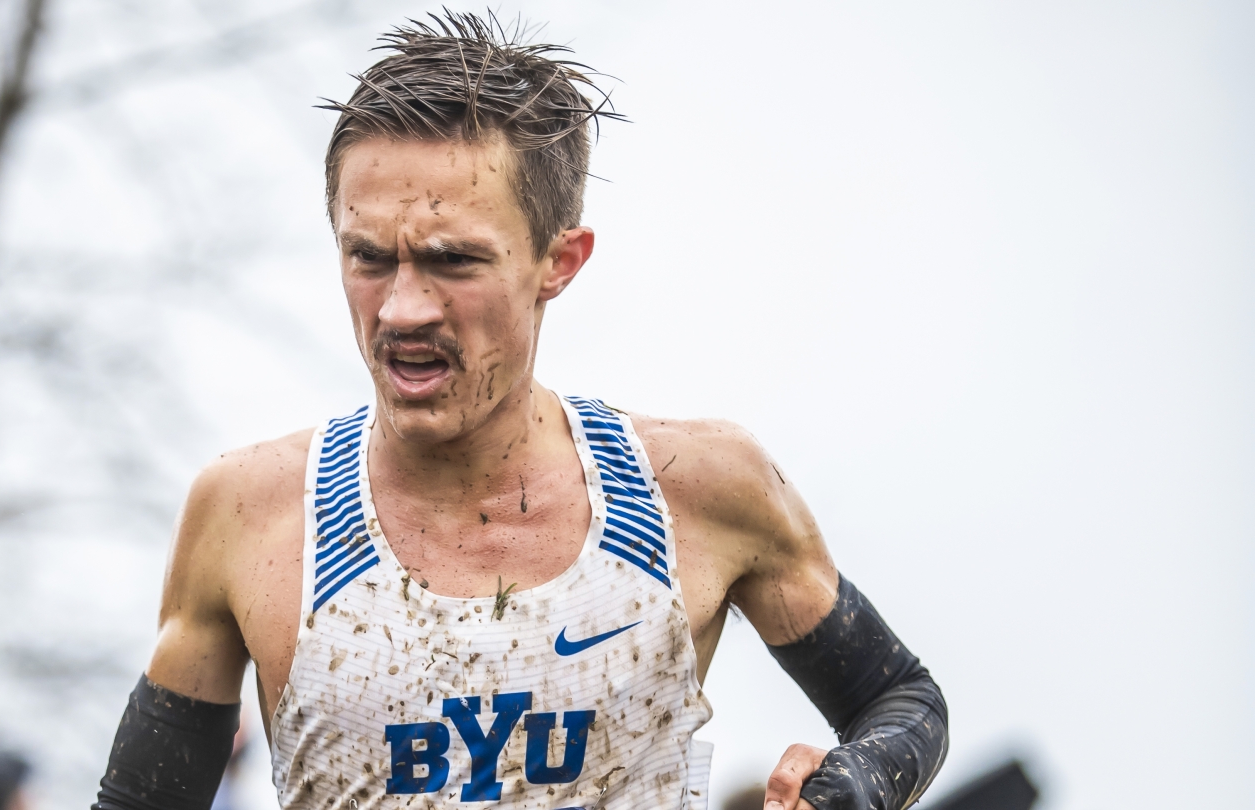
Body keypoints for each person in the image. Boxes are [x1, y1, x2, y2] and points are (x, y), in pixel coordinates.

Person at [92, 11, 947, 810]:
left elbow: (901, 701)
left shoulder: (698, 485)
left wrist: (852, 789)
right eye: (368, 258)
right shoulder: (250, 513)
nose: (401, 310)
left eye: (453, 260)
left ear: (559, 261)